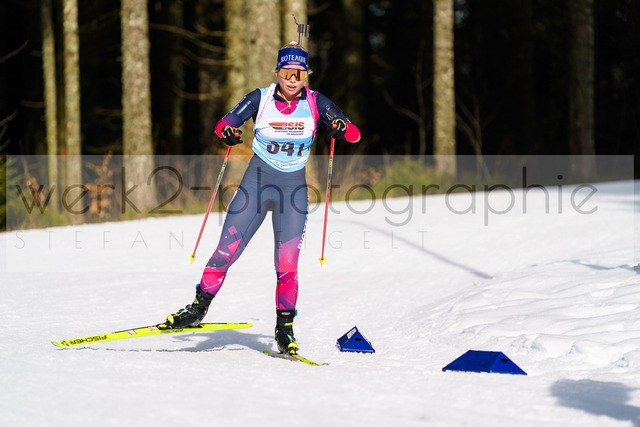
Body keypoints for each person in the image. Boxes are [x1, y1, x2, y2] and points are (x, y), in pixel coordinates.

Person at [158, 41, 361, 355]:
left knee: (287, 264)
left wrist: (339, 126)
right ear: (277, 72)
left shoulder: (316, 101)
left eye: (299, 73)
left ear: (306, 75)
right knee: (224, 252)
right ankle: (197, 309)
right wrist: (227, 132)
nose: (292, 79)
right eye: (287, 72)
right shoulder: (260, 98)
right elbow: (224, 123)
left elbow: (353, 133)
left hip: (292, 192)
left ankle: (285, 330)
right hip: (255, 186)